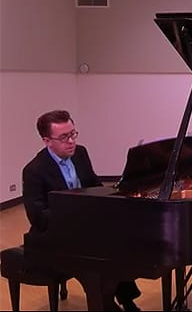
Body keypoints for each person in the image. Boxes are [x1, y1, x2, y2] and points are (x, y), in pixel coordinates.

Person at [22, 109, 142, 311]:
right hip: (53, 236)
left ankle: (125, 299)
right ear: (46, 141)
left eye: (73, 134)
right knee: (101, 249)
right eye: (63, 137)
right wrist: (74, 216)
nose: (71, 141)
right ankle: (103, 303)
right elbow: (38, 216)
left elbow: (93, 184)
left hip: (84, 227)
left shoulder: (80, 153)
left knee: (117, 240)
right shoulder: (34, 170)